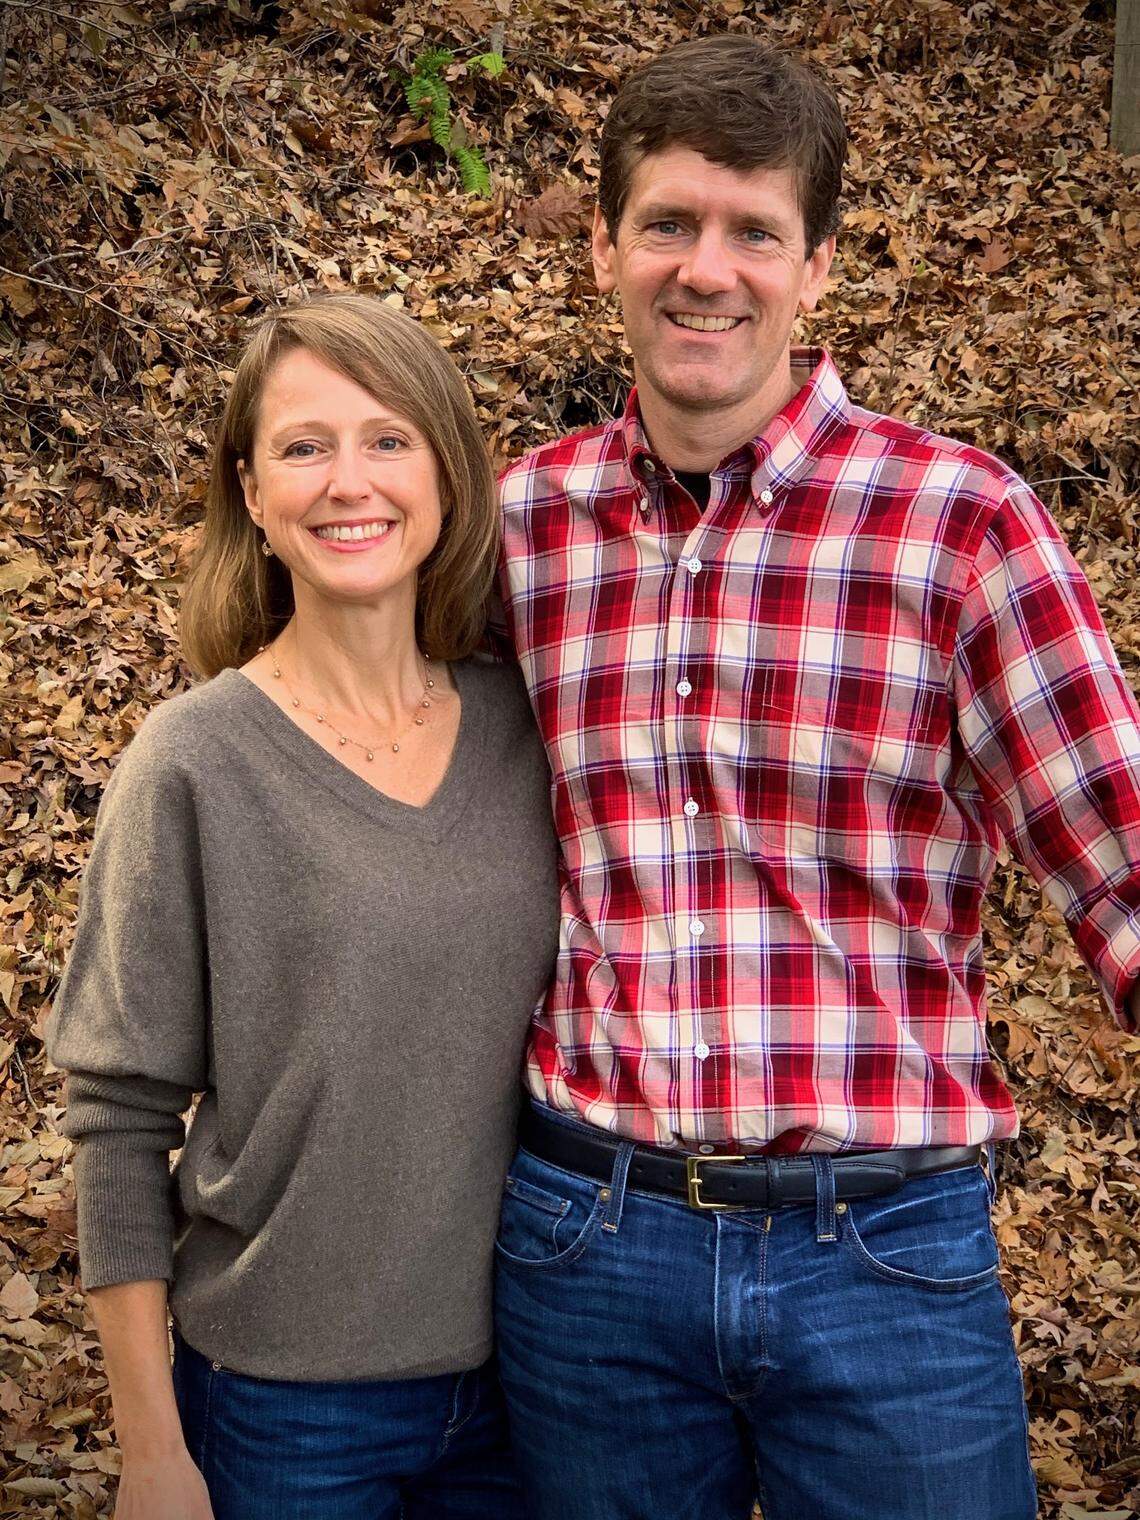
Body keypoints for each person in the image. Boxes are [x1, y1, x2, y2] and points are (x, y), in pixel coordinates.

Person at [491, 34, 1140, 1520]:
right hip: (591, 1246)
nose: (703, 269)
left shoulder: (960, 526)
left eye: (751, 232)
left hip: (886, 1255)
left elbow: (1122, 863)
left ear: (819, 267)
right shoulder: (518, 531)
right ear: (602, 247)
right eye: (666, 222)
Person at [46, 293, 559, 1520]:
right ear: (254, 492)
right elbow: (117, 1123)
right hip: (282, 1412)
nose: (350, 482)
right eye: (304, 445)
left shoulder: (525, 728)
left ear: (445, 472)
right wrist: (153, 1452)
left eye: (388, 439)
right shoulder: (192, 762)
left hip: (530, 1386)